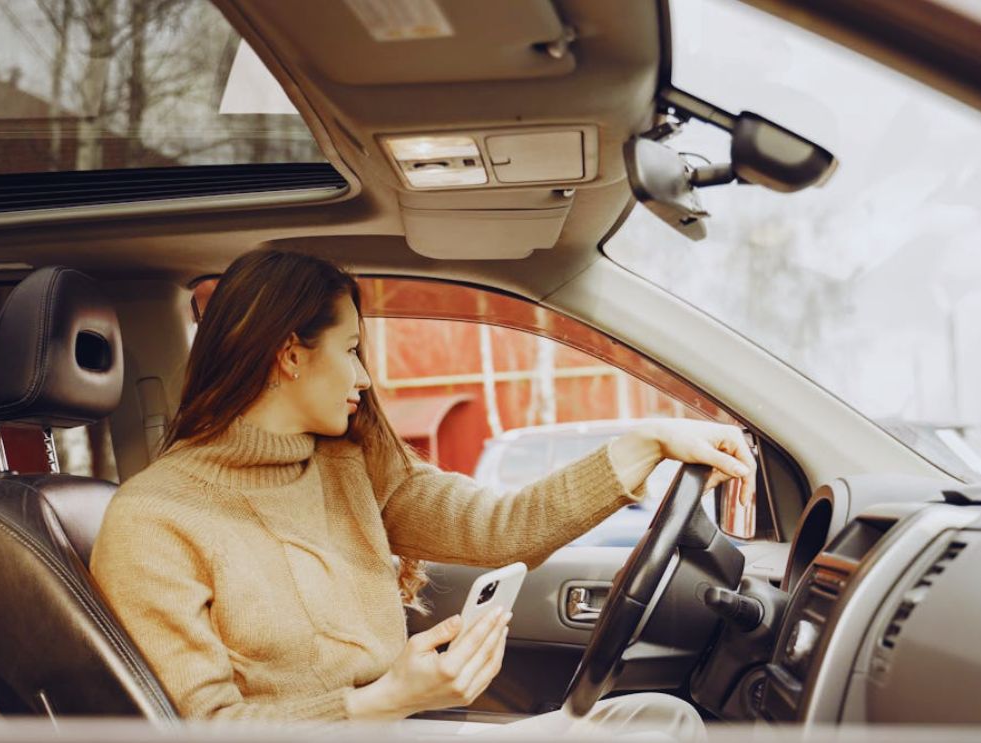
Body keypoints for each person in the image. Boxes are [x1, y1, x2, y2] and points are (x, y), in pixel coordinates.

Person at [89, 249, 755, 736]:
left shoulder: (351, 462)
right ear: (290, 354)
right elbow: (205, 726)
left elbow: (501, 528)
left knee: (654, 718)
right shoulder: (154, 520)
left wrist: (649, 442)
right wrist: (383, 699)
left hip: (397, 726)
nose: (363, 377)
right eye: (349, 349)